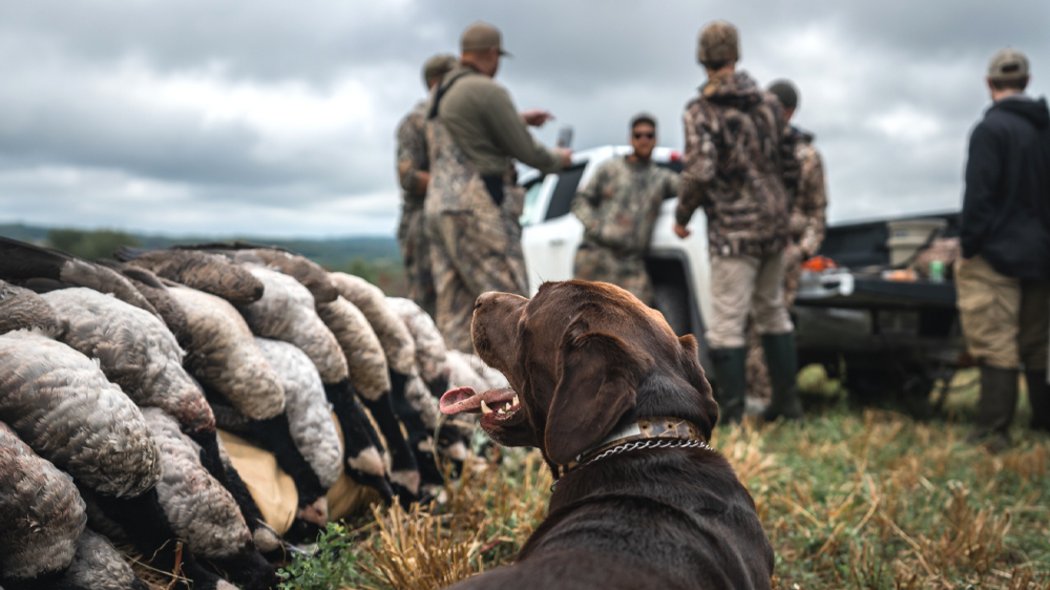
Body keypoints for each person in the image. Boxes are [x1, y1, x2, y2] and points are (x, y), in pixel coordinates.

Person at [672, 20, 801, 424]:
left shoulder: (701, 110)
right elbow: (791, 162)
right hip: (774, 229)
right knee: (773, 311)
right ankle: (789, 407)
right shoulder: (766, 103)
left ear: (702, 59)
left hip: (733, 233)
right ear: (736, 54)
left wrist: (682, 215)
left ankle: (731, 413)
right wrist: (783, 207)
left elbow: (700, 171)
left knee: (728, 321)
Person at [424, 21, 572, 352]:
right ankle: (526, 396)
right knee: (512, 308)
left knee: (457, 312)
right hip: (476, 210)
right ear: (492, 54)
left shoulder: (441, 92)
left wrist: (518, 118)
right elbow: (527, 151)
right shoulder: (488, 91)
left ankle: (461, 394)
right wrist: (559, 159)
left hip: (438, 209)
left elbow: (469, 126)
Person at [958, 48, 1050, 451]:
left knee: (996, 340)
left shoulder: (989, 131)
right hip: (1043, 254)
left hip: (997, 255)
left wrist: (969, 246)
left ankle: (994, 430)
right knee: (1038, 342)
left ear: (989, 83)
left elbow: (979, 198)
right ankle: (1043, 422)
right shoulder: (1045, 130)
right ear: (1027, 82)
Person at [745, 79, 828, 404]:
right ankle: (752, 396)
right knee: (745, 320)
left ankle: (772, 399)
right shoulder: (752, 150)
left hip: (786, 250)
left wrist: (802, 250)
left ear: (789, 111)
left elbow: (817, 211)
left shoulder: (807, 156)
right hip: (752, 248)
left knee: (771, 320)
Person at [570, 113, 680, 304]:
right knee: (588, 314)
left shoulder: (661, 178)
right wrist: (597, 227)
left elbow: (688, 189)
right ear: (631, 139)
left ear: (656, 139)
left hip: (631, 262)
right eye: (638, 135)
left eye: (649, 135)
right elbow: (580, 201)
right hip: (598, 256)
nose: (643, 140)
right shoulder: (610, 169)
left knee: (641, 317)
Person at [395, 53, 457, 317]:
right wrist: (455, 183)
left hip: (455, 221)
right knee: (427, 307)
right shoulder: (415, 122)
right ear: (436, 82)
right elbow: (408, 178)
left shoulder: (456, 121)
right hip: (422, 225)